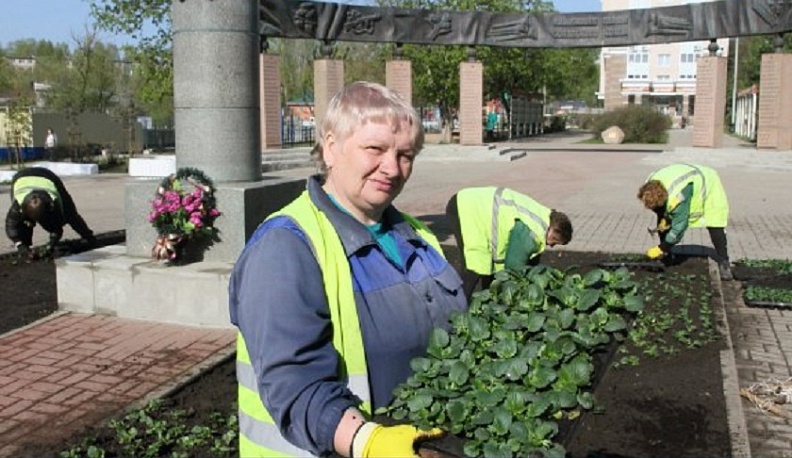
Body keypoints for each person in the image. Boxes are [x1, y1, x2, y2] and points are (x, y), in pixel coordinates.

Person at [228, 81, 467, 457]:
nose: (392, 168)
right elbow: (295, 383)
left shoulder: (417, 234)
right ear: (331, 147)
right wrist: (367, 441)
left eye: (406, 154)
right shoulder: (286, 247)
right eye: (375, 149)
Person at [445, 186, 573, 300]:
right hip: (467, 208)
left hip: (475, 208)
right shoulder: (531, 233)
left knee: (488, 267)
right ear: (552, 229)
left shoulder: (543, 219)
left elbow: (529, 262)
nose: (551, 245)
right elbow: (513, 268)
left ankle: (485, 305)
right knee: (474, 265)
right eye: (555, 241)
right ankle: (456, 310)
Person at [637, 163, 732, 280]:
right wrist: (663, 219)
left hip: (707, 182)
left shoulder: (678, 197)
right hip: (684, 177)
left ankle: (724, 262)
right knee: (664, 220)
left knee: (715, 223)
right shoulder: (650, 185)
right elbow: (659, 208)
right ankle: (667, 255)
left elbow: (679, 228)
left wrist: (661, 247)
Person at [5, 167, 96, 259]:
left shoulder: (55, 203)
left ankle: (90, 239)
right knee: (23, 224)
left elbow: (58, 228)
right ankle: (27, 251)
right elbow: (11, 226)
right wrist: (20, 245)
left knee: (70, 215)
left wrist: (50, 245)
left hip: (47, 177)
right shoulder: (18, 204)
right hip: (20, 179)